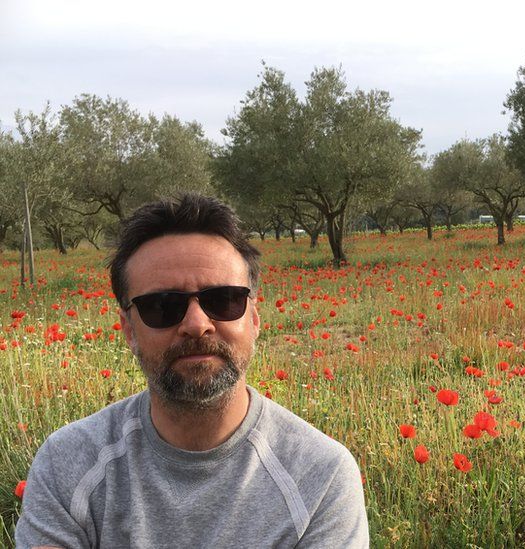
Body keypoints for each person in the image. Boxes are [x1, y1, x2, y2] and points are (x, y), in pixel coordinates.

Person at [15, 194, 369, 548]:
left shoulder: (321, 476)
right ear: (128, 330)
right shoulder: (69, 464)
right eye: (162, 306)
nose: (197, 324)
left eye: (223, 300)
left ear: (255, 317)